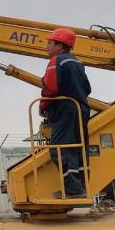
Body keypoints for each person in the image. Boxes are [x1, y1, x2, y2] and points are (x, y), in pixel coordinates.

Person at [39, 27, 92, 198]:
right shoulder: (77, 62)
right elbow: (87, 88)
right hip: (81, 109)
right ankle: (81, 187)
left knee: (60, 149)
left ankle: (73, 190)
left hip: (65, 110)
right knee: (78, 149)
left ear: (60, 45)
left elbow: (51, 88)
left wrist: (43, 106)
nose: (47, 46)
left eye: (50, 43)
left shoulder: (57, 61)